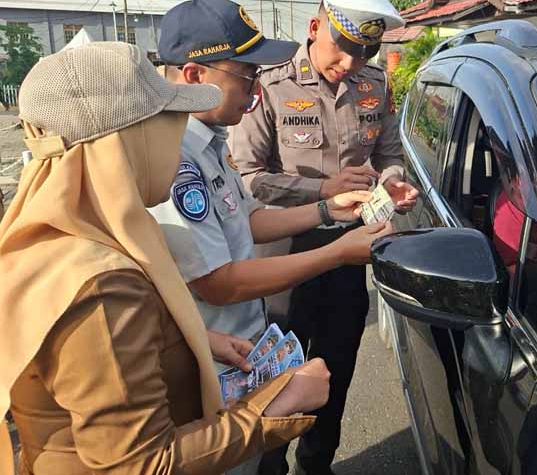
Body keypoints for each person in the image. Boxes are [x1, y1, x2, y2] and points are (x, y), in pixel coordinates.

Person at [0, 42, 331, 475]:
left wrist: (191, 337)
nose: (178, 146)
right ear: (131, 139)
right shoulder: (101, 285)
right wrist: (275, 406)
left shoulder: (59, 235)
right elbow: (141, 464)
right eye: (170, 126)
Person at [149, 0, 393, 475]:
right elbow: (219, 283)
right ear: (195, 76)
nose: (257, 87)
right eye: (246, 75)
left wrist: (327, 209)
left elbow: (249, 219)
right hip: (210, 363)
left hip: (237, 348)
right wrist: (338, 252)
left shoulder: (208, 142)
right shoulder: (176, 159)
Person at [228, 0, 418, 473]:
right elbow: (247, 178)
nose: (351, 64)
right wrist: (322, 191)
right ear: (315, 29)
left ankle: (317, 465)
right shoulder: (271, 83)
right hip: (281, 255)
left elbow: (389, 154)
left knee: (335, 371)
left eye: (364, 52)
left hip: (348, 252)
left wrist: (391, 183)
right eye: (344, 48)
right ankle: (269, 467)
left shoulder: (374, 82)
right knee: (275, 377)